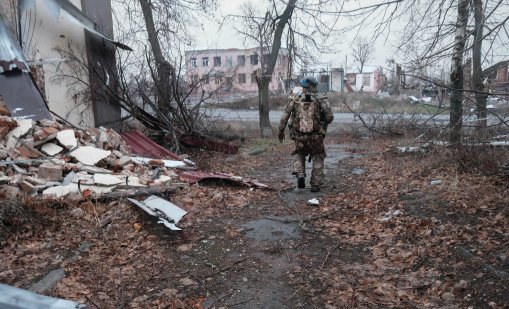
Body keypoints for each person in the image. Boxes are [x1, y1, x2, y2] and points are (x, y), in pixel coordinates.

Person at [278, 76, 334, 192]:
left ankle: (300, 174)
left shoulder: (295, 99)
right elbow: (329, 118)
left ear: (303, 87)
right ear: (314, 86)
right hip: (316, 137)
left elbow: (284, 117)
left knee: (299, 154)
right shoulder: (320, 99)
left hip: (299, 137)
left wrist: (281, 131)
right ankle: (315, 184)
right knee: (318, 157)